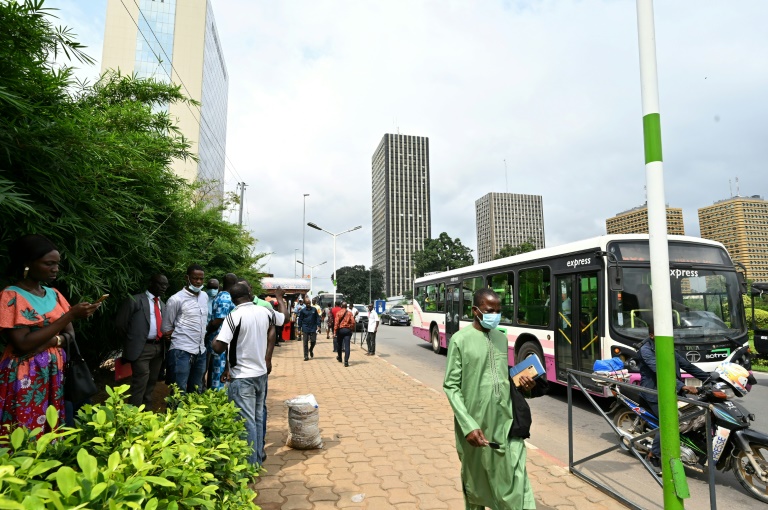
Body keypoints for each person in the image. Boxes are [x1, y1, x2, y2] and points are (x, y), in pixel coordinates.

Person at [443, 288, 537, 510]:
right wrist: (468, 425)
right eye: (489, 311)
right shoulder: (460, 340)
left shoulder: (501, 338)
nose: (494, 315)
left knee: (513, 476)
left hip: (504, 421)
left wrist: (525, 385)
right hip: (474, 424)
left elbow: (503, 379)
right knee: (476, 483)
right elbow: (451, 386)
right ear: (475, 310)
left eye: (497, 311)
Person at [0, 235, 100, 437]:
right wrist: (69, 316)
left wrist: (49, 341)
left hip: (56, 372)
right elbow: (23, 344)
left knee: (52, 424)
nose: (55, 269)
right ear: (28, 263)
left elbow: (70, 334)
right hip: (26, 374)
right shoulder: (11, 296)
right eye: (49, 263)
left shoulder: (54, 294)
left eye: (57, 264)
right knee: (24, 426)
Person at [212, 284, 287, 466]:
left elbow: (219, 347)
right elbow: (284, 318)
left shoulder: (233, 316)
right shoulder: (265, 312)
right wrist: (279, 297)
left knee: (246, 422)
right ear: (250, 295)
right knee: (258, 416)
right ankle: (258, 457)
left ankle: (250, 465)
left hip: (242, 377)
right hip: (261, 374)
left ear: (232, 299)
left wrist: (214, 339)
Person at [637, 324, 709, 473]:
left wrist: (711, 379)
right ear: (652, 335)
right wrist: (682, 386)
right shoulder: (646, 351)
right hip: (654, 394)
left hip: (672, 392)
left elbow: (688, 366)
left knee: (697, 414)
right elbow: (660, 372)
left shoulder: (668, 349)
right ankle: (653, 456)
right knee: (670, 422)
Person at [115, 273, 169, 409]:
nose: (163, 287)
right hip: (141, 348)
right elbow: (121, 324)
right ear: (151, 283)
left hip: (158, 348)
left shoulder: (162, 304)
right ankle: (133, 415)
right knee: (140, 382)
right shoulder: (135, 300)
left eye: (165, 285)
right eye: (160, 284)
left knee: (151, 382)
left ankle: (147, 412)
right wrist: (133, 341)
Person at [163, 264, 208, 394]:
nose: (198, 282)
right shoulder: (176, 299)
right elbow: (166, 327)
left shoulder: (204, 296)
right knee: (179, 390)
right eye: (195, 278)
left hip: (200, 350)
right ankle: (175, 413)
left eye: (201, 279)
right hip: (181, 350)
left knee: (196, 389)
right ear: (187, 278)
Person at [205, 273, 237, 390]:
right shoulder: (226, 298)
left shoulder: (220, 295)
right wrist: (208, 333)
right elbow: (218, 320)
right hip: (220, 340)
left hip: (219, 339)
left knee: (216, 371)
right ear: (234, 284)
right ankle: (215, 399)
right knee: (218, 374)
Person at [334, 301, 356, 367]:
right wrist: (351, 329)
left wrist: (335, 332)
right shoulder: (349, 313)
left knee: (339, 344)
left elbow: (336, 323)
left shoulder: (338, 313)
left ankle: (340, 357)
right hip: (347, 330)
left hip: (340, 330)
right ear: (346, 306)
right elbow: (353, 322)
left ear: (341, 306)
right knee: (347, 346)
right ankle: (346, 361)